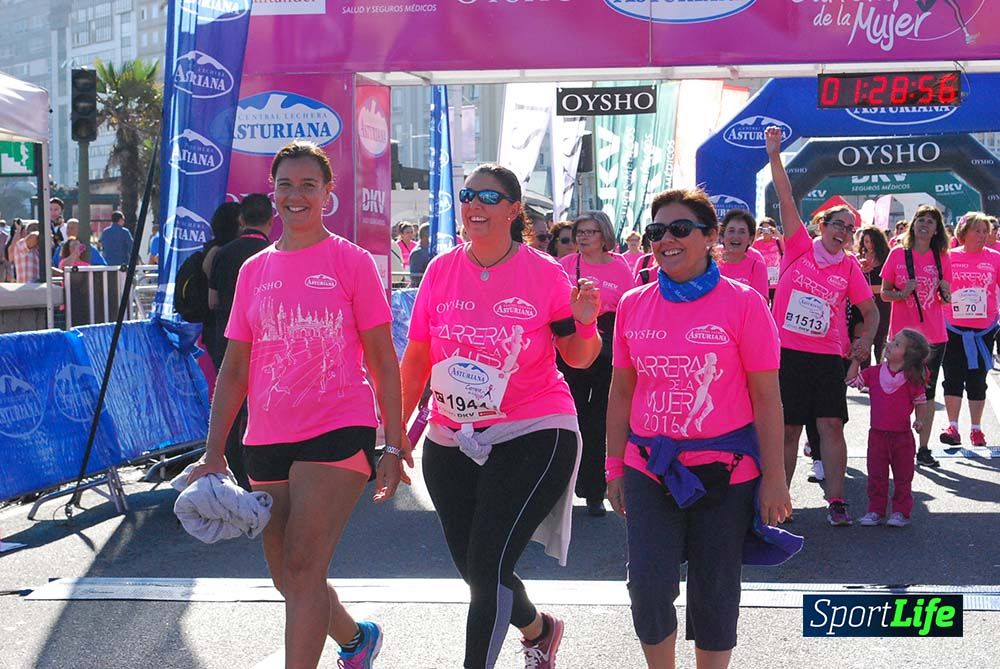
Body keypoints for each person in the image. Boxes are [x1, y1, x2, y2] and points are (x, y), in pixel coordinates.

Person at [187, 141, 404, 669]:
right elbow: (235, 367)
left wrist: (393, 444)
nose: (296, 195)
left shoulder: (351, 261)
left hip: (338, 426)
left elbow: (381, 358)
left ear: (328, 194)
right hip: (265, 437)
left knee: (305, 565)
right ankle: (355, 640)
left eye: (309, 184)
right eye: (286, 184)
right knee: (288, 575)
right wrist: (215, 451)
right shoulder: (253, 270)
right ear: (273, 193)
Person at [399, 163, 601, 669]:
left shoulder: (544, 273)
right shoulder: (441, 270)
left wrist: (586, 322)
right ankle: (540, 629)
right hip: (451, 434)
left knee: (487, 564)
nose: (475, 205)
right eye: (468, 195)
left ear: (515, 211)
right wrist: (394, 434)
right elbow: (418, 358)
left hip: (534, 428)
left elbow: (577, 356)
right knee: (475, 566)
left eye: (489, 197)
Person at [606, 187, 795, 669]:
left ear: (710, 236)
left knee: (714, 586)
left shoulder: (746, 303)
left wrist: (775, 479)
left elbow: (767, 397)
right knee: (648, 583)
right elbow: (621, 392)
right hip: (650, 466)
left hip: (726, 471)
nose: (666, 239)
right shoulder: (632, 303)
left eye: (680, 229)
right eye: (656, 232)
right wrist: (613, 467)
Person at [766, 126, 879, 526]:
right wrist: (775, 153)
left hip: (828, 355)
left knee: (831, 425)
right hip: (789, 353)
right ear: (821, 225)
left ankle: (836, 500)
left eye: (849, 228)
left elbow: (872, 312)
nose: (843, 232)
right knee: (789, 429)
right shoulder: (798, 246)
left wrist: (862, 345)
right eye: (837, 224)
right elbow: (784, 195)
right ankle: (778, 501)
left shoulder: (849, 266)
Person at [558, 211, 636, 517]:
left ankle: (594, 490)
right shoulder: (565, 265)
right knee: (569, 418)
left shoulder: (620, 266)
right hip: (573, 345)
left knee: (601, 419)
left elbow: (629, 308)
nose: (583, 237)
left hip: (609, 350)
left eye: (590, 232)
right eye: (580, 231)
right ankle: (562, 488)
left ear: (604, 235)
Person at [208, 193, 274, 491]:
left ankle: (234, 471)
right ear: (271, 221)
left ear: (241, 220)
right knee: (260, 404)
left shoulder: (222, 253)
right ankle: (258, 471)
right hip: (266, 340)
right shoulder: (273, 254)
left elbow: (212, 300)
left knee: (231, 405)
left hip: (226, 337)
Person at [880, 204, 952, 468]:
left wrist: (946, 291)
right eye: (921, 220)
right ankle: (895, 443)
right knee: (898, 390)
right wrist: (902, 292)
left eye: (931, 222)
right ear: (913, 225)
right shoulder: (898, 254)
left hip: (934, 335)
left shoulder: (941, 256)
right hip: (902, 336)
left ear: (936, 230)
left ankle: (923, 447)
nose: (925, 225)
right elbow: (884, 293)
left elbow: (947, 299)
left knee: (927, 392)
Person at [848, 329, 931, 528]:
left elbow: (921, 403)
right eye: (892, 341)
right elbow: (852, 381)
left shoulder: (912, 379)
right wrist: (856, 361)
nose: (889, 344)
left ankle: (901, 511)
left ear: (909, 355)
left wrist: (920, 421)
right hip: (876, 435)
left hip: (902, 437)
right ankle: (875, 510)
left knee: (903, 477)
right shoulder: (875, 372)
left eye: (896, 344)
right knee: (876, 475)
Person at [939, 212, 1000, 447]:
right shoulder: (948, 257)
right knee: (952, 377)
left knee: (977, 380)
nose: (983, 235)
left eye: (986, 231)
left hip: (984, 329)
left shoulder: (995, 258)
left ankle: (976, 429)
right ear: (964, 233)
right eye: (977, 230)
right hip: (952, 327)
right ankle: (952, 426)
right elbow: (938, 286)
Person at [201, 202, 242, 369]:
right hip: (223, 325)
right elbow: (214, 296)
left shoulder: (212, 249)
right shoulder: (221, 252)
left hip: (216, 326)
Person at [855, 226, 892, 366]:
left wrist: (868, 289)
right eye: (865, 241)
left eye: (871, 241)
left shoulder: (886, 258)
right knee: (865, 337)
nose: (869, 245)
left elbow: (889, 285)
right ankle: (865, 374)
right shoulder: (859, 258)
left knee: (880, 339)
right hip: (864, 303)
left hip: (882, 303)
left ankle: (880, 369)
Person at [718, 209, 769, 298]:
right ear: (722, 236)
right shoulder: (709, 262)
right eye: (731, 231)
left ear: (750, 239)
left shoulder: (756, 266)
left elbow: (761, 304)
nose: (736, 236)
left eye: (742, 232)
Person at [752, 217, 784, 303]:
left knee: (775, 306)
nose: (766, 231)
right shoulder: (757, 243)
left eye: (768, 229)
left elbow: (788, 247)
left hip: (776, 281)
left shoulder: (778, 242)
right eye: (764, 229)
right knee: (763, 304)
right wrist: (756, 235)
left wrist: (777, 233)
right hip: (763, 280)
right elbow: (748, 251)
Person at [408, 223, 431, 287]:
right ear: (426, 235)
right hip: (421, 289)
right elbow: (415, 277)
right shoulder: (417, 253)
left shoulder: (429, 250)